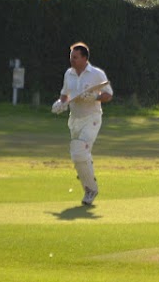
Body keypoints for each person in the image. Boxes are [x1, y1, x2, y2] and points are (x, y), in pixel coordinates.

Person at [51, 42, 113, 206]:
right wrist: (60, 104)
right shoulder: (68, 74)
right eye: (71, 56)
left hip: (91, 118)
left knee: (79, 151)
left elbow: (108, 95)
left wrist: (95, 98)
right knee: (78, 156)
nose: (72, 59)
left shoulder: (96, 74)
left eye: (75, 57)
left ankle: (91, 190)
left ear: (84, 58)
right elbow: (65, 95)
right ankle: (89, 178)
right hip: (74, 119)